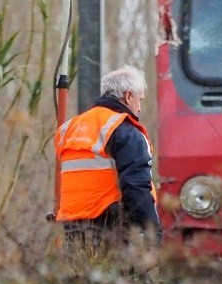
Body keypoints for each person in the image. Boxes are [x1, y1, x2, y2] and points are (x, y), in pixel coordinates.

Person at [55, 65, 162, 247]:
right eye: (140, 100)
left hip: (72, 227)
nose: (140, 108)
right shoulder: (124, 130)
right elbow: (135, 185)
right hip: (110, 227)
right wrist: (152, 231)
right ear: (128, 96)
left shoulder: (70, 128)